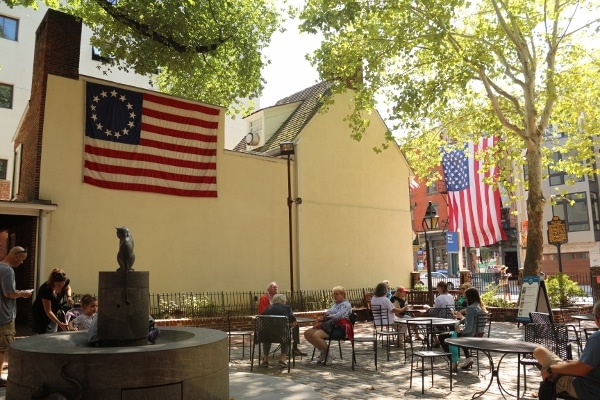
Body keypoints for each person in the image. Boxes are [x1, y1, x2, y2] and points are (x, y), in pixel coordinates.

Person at [534, 300, 600, 399]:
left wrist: (551, 369)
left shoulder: (597, 338)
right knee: (562, 365)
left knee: (539, 352)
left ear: (597, 319)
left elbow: (581, 370)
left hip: (587, 390)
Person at [0, 247, 33, 387]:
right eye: (22, 259)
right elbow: (9, 293)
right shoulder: (8, 270)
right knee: (2, 348)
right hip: (4, 316)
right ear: (15, 256)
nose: (22, 263)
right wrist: (23, 294)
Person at [439, 287, 487, 370]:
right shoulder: (480, 307)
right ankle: (468, 358)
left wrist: (460, 330)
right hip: (478, 335)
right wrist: (461, 317)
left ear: (469, 297)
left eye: (466, 297)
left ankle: (454, 361)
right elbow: (472, 322)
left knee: (442, 336)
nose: (465, 299)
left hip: (470, 336)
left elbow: (468, 329)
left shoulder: (471, 308)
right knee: (456, 332)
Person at [304, 286, 352, 364]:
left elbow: (338, 317)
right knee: (307, 333)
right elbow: (328, 314)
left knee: (316, 335)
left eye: (337, 294)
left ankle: (329, 354)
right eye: (333, 294)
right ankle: (323, 352)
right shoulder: (335, 304)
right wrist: (324, 318)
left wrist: (328, 317)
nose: (335, 296)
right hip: (329, 326)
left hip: (339, 329)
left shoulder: (346, 305)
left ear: (343, 294)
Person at [258, 281, 306, 356]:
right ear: (268, 290)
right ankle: (283, 357)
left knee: (295, 327)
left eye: (276, 287)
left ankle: (295, 348)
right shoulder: (264, 299)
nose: (276, 288)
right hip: (274, 326)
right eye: (273, 287)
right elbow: (262, 313)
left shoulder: (270, 307)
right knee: (290, 329)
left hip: (270, 329)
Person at [259, 294, 297, 368]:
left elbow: (261, 320)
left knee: (267, 335)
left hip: (266, 336)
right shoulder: (287, 308)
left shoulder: (268, 308)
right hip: (281, 335)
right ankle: (283, 358)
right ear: (283, 301)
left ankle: (265, 359)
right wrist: (288, 326)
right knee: (286, 334)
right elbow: (294, 323)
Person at [32, 269, 70, 334]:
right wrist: (60, 324)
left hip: (53, 311)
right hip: (41, 314)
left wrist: (69, 297)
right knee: (43, 335)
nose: (61, 286)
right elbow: (48, 311)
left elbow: (68, 287)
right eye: (58, 284)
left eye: (62, 284)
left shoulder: (64, 284)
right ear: (53, 282)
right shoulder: (46, 289)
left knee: (53, 333)